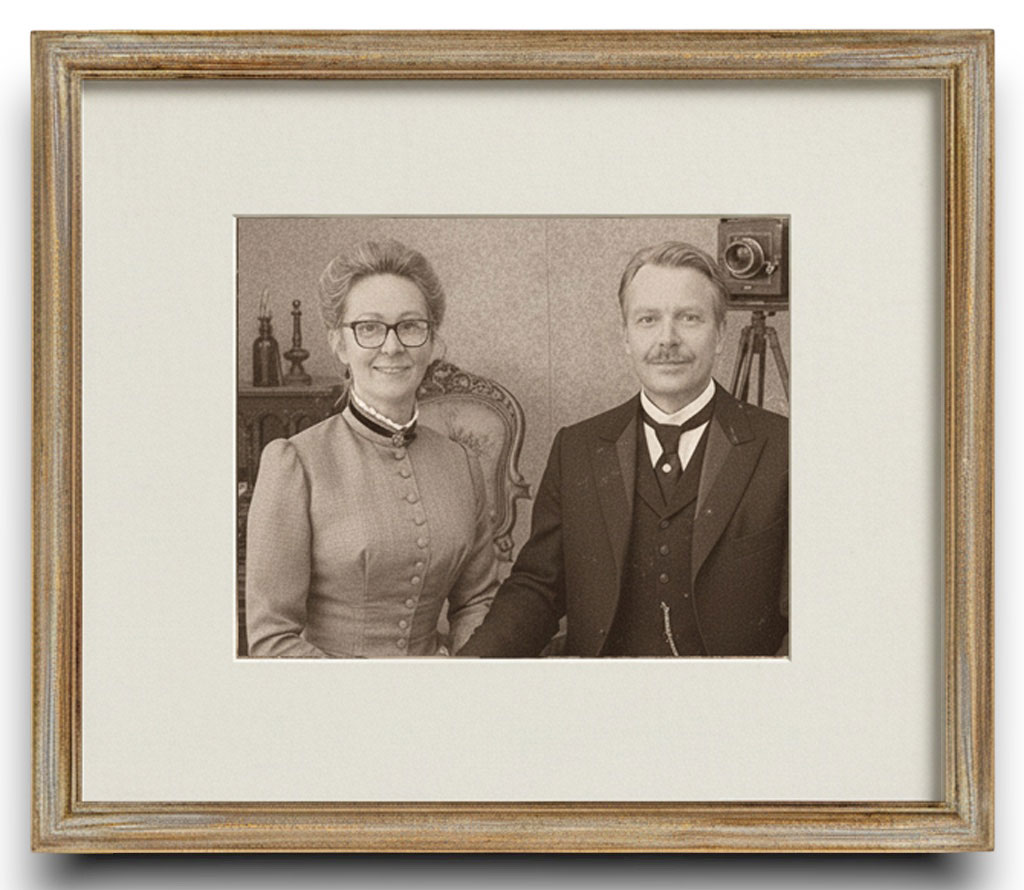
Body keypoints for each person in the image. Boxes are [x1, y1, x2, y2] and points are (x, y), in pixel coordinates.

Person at [458, 241, 787, 658]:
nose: (667, 339)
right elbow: (537, 588)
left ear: (720, 334)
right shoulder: (576, 448)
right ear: (626, 337)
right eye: (648, 319)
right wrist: (468, 672)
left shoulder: (785, 448)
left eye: (689, 318)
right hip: (604, 693)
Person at [245, 240, 498, 657]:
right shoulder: (295, 463)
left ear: (432, 342)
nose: (392, 347)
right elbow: (272, 640)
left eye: (410, 326)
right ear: (339, 344)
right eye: (369, 328)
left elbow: (476, 601)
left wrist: (460, 675)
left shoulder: (461, 465)